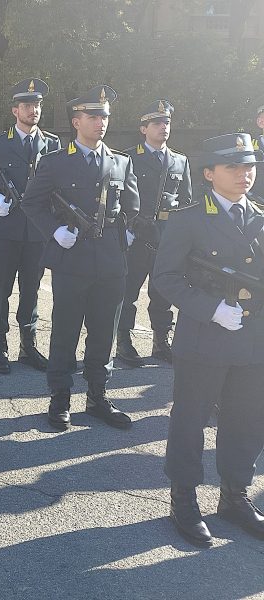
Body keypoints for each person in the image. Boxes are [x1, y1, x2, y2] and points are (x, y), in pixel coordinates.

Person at [153, 132, 264, 547]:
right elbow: (165, 278)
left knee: (247, 419)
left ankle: (234, 495)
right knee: (190, 420)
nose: (244, 173)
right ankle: (183, 498)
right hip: (204, 339)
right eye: (232, 166)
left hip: (254, 341)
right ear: (209, 173)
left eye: (249, 166)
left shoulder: (259, 215)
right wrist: (211, 308)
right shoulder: (188, 219)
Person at [22, 85, 140, 431]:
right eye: (93, 116)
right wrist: (54, 231)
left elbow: (132, 206)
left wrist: (128, 231)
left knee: (104, 332)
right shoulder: (56, 162)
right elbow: (32, 203)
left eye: (104, 116)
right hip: (72, 260)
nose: (101, 122)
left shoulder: (121, 162)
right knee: (66, 331)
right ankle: (60, 396)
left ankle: (97, 395)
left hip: (111, 261)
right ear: (76, 121)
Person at [0, 78, 59, 375]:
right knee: (1, 289)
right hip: (6, 229)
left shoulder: (52, 144)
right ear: (15, 110)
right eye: (27, 105)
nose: (33, 110)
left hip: (37, 231)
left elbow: (57, 186)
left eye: (37, 105)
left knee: (31, 290)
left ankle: (28, 345)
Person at [115, 100, 193, 367]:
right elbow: (119, 198)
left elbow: (186, 202)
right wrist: (126, 229)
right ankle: (123, 341)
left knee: (163, 294)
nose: (163, 127)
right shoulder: (128, 158)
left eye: (166, 122)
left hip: (166, 238)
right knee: (128, 292)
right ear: (143, 128)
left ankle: (161, 341)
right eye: (157, 123)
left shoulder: (180, 161)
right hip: (137, 235)